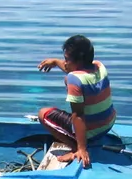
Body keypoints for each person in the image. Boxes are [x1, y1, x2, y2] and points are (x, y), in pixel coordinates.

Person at [36, 34, 115, 168]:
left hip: (92, 133)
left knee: (43, 114)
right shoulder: (99, 66)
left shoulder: (74, 79)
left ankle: (76, 148)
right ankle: (82, 143)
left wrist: (81, 149)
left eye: (66, 59)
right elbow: (72, 69)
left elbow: (78, 116)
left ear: (78, 61)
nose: (65, 63)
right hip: (107, 125)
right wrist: (55, 62)